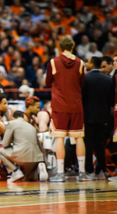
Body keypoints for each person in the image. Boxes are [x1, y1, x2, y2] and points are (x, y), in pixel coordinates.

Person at [45, 36, 90, 182]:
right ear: (73, 47)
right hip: (76, 104)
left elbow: (47, 82)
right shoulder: (80, 63)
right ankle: (82, 172)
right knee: (78, 137)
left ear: (60, 47)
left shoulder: (53, 62)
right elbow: (82, 82)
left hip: (59, 105)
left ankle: (60, 173)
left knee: (59, 137)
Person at [0, 110, 48, 182]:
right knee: (29, 178)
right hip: (37, 158)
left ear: (13, 118)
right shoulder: (31, 126)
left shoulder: (11, 123)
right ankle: (40, 165)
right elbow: (38, 145)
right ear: (23, 117)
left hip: (21, 155)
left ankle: (16, 171)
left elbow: (5, 144)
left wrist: (7, 143)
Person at [83, 57, 114, 179]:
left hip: (88, 116)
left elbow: (82, 98)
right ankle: (101, 170)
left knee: (88, 144)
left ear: (91, 64)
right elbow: (110, 100)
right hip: (103, 116)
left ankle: (89, 171)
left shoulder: (85, 78)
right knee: (100, 144)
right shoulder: (108, 79)